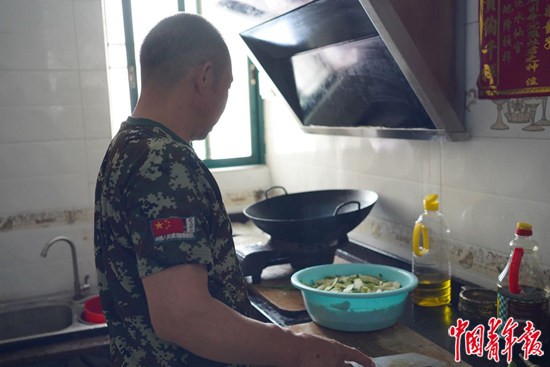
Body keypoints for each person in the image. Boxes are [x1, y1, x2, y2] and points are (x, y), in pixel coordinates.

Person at [94, 12, 376, 367]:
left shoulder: (126, 145)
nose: (224, 103)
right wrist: (302, 350)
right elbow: (184, 317)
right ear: (205, 76)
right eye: (226, 86)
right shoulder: (165, 160)